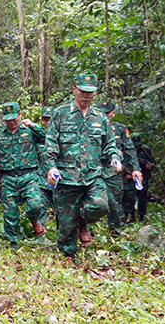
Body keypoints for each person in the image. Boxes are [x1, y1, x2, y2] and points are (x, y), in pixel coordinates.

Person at [44, 73, 122, 262]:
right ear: (74, 90)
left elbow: (110, 145)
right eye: (83, 91)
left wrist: (115, 158)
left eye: (91, 92)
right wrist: (51, 168)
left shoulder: (100, 118)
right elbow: (50, 145)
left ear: (95, 93)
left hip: (92, 176)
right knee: (65, 225)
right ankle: (68, 255)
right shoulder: (61, 114)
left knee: (101, 206)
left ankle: (82, 221)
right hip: (67, 177)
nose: (86, 95)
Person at [0, 102, 46, 248]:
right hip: (8, 177)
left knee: (35, 205)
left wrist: (34, 125)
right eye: (8, 119)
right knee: (10, 212)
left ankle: (35, 222)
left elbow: (48, 138)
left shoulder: (29, 130)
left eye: (14, 118)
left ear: (20, 114)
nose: (12, 122)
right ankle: (14, 242)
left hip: (29, 175)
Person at [96, 100, 142, 235]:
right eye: (101, 113)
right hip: (94, 169)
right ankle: (86, 230)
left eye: (107, 113)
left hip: (113, 171)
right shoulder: (92, 127)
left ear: (113, 113)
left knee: (114, 202)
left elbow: (130, 150)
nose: (104, 116)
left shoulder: (120, 129)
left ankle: (116, 231)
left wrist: (136, 169)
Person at [36, 106, 55, 227]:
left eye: (50, 119)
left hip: (61, 181)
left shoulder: (61, 135)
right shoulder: (38, 135)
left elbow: (50, 137)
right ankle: (40, 235)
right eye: (45, 120)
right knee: (40, 207)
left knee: (66, 210)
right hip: (43, 180)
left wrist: (34, 125)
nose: (48, 123)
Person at [130, 132, 155, 221]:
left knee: (142, 197)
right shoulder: (128, 150)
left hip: (144, 176)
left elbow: (152, 162)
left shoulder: (145, 150)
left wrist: (149, 167)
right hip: (130, 177)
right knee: (129, 197)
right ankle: (131, 216)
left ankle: (141, 216)